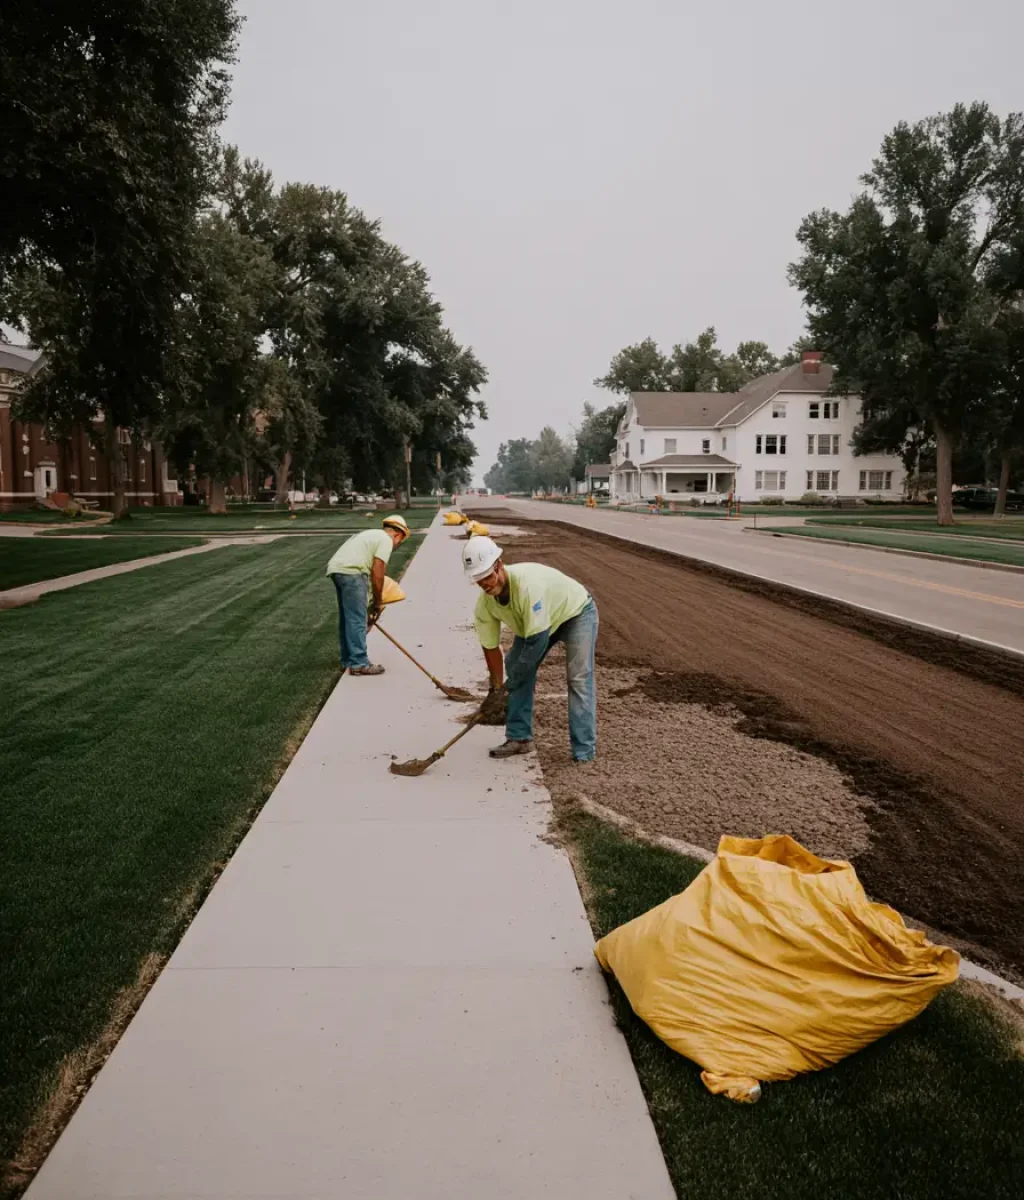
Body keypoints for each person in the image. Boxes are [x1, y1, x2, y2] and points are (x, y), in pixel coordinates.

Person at [463, 536, 598, 762]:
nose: (485, 584)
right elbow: (491, 648)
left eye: (487, 576)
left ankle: (584, 750)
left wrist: (511, 684)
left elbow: (536, 643)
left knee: (578, 679)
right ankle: (519, 738)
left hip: (576, 613)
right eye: (478, 580)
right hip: (538, 624)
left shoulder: (527, 587)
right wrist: (496, 688)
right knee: (516, 665)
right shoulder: (485, 606)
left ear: (499, 565)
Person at [326, 515, 410, 675]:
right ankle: (359, 663)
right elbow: (377, 573)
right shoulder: (386, 540)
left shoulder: (371, 534)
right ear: (398, 535)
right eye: (399, 542)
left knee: (348, 619)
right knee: (357, 620)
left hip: (337, 570)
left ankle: (347, 660)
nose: (397, 546)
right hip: (353, 572)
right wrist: (377, 603)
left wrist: (371, 604)